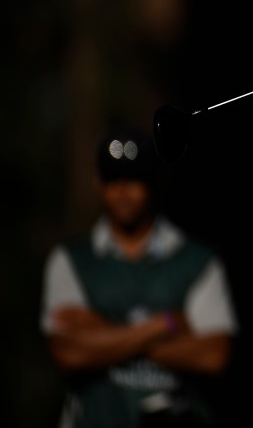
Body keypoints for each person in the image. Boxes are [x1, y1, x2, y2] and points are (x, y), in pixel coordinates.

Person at [40, 124, 239, 427]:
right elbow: (69, 353)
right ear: (98, 182)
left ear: (152, 183)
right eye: (112, 180)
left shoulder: (197, 260)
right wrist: (165, 324)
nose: (122, 192)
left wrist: (102, 333)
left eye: (133, 180)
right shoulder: (69, 260)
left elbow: (213, 356)